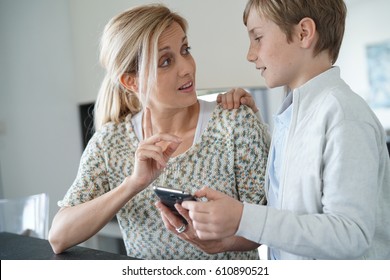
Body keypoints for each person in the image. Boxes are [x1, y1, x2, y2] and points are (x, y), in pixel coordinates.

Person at [48, 3, 270, 260]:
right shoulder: (110, 144)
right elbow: (58, 236)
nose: (186, 67)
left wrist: (221, 243)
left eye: (185, 50)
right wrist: (133, 184)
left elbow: (269, 224)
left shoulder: (234, 124)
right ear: (131, 81)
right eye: (166, 61)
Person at [177, 0, 390, 259]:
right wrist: (227, 240)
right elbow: (294, 205)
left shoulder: (343, 115)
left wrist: (243, 217)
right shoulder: (293, 114)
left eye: (258, 38)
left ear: (303, 33)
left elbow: (350, 234)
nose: (250, 54)